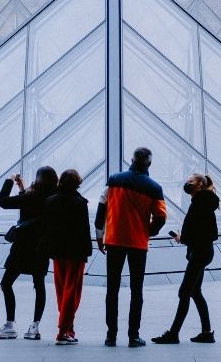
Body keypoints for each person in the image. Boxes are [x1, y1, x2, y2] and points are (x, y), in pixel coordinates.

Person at [95, 146, 168, 347]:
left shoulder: (114, 180)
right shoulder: (154, 188)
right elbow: (161, 216)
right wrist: (149, 231)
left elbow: (101, 210)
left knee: (112, 289)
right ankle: (133, 336)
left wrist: (99, 237)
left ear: (132, 160)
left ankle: (111, 335)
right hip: (138, 242)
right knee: (137, 291)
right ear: (149, 164)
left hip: (114, 240)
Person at [0, 166, 58, 341]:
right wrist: (22, 190)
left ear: (38, 179)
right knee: (39, 285)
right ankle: (34, 327)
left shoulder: (31, 196)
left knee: (6, 283)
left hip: (22, 247)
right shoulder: (54, 198)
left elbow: (3, 201)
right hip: (41, 248)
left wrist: (10, 181)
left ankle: (10, 325)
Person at [151, 173, 220, 345]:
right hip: (205, 251)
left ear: (199, 185)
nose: (187, 183)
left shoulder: (199, 203)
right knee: (195, 292)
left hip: (200, 253)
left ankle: (173, 334)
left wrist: (184, 238)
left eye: (190, 181)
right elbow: (206, 231)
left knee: (184, 292)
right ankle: (206, 333)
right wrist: (187, 238)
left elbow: (197, 230)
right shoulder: (206, 201)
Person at [36, 168, 92, 345]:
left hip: (57, 252)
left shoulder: (50, 201)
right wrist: (87, 250)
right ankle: (63, 330)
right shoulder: (80, 203)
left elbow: (46, 227)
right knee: (72, 292)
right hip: (75, 252)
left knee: (61, 290)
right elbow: (84, 230)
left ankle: (68, 328)